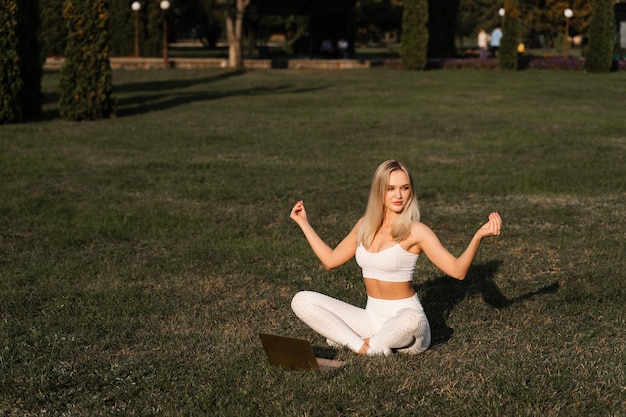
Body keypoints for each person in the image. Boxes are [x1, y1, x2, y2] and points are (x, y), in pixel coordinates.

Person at [289, 160, 502, 356]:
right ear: (379, 191)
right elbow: (330, 260)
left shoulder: (416, 231)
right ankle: (365, 347)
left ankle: (353, 341)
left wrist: (478, 237)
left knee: (412, 320)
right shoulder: (364, 225)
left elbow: (458, 270)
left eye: (404, 188)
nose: (398, 195)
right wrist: (303, 223)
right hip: (372, 317)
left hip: (407, 325)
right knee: (302, 300)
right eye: (390, 189)